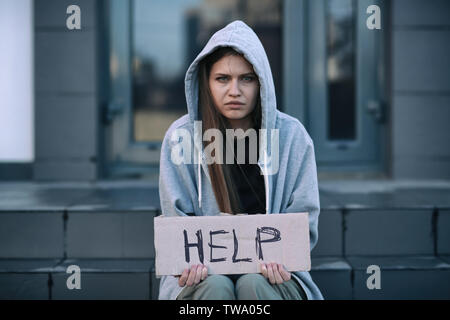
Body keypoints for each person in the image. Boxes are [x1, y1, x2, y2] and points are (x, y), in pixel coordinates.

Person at [158, 20, 323, 300]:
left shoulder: (292, 136)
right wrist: (186, 266)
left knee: (253, 284)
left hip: (276, 274)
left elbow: (303, 222)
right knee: (216, 286)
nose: (234, 90)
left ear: (261, 83)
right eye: (222, 78)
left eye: (247, 78)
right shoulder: (180, 137)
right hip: (200, 277)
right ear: (206, 83)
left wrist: (282, 259)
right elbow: (177, 223)